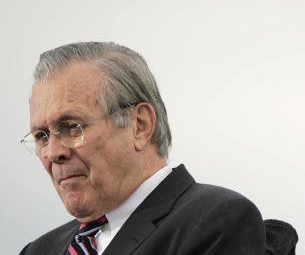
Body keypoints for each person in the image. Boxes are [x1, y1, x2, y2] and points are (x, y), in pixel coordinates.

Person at [19, 42, 266, 254]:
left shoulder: (214, 220)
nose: (52, 152)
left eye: (72, 127)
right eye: (42, 136)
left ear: (140, 126)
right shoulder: (38, 250)